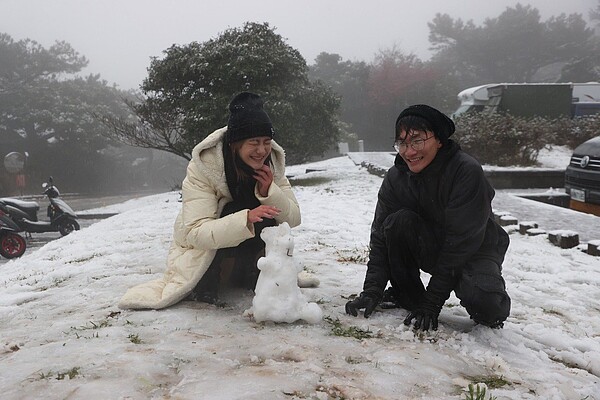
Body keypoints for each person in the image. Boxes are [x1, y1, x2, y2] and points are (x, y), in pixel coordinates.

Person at [119, 92, 301, 310]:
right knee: (237, 209)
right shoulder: (204, 167)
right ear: (235, 144)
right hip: (202, 246)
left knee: (267, 211)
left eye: (266, 142)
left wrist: (269, 190)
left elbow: (294, 218)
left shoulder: (272, 164)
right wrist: (246, 218)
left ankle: (249, 273)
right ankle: (207, 284)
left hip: (242, 246)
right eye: (253, 142)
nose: (261, 150)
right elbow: (195, 232)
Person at [345, 104, 511, 331]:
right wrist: (371, 290)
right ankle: (406, 295)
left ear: (440, 140)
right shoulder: (396, 177)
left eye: (417, 140)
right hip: (430, 244)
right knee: (396, 223)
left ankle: (486, 295)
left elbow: (460, 244)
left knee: (488, 307)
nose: (409, 151)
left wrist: (432, 303)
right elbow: (380, 237)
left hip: (473, 249)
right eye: (402, 143)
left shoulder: (465, 172)